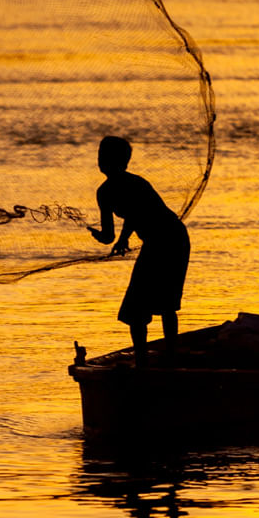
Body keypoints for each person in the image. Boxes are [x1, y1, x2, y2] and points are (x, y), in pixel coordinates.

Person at [86, 136, 191, 367]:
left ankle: (169, 357)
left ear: (122, 162)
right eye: (101, 156)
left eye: (107, 157)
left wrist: (123, 239)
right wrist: (100, 236)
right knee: (137, 307)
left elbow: (135, 212)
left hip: (172, 238)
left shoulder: (136, 184)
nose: (102, 161)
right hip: (155, 242)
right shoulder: (103, 192)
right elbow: (109, 236)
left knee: (165, 302)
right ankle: (143, 359)